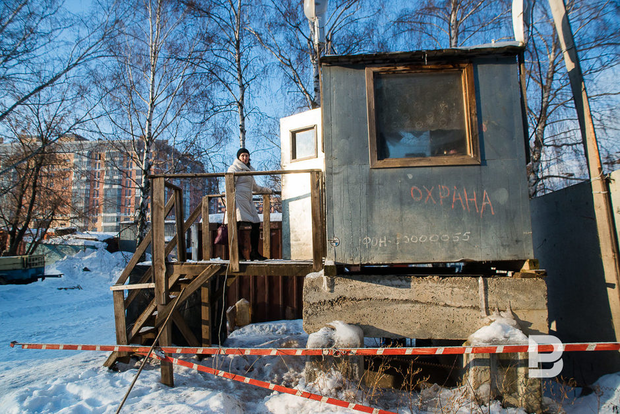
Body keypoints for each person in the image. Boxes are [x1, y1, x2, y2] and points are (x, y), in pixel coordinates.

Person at [227, 148, 272, 261]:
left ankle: (254, 253)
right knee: (236, 225)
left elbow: (255, 187)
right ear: (238, 157)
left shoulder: (249, 171)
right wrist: (230, 200)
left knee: (256, 224)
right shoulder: (234, 168)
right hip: (238, 200)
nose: (245, 158)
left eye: (246, 155)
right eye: (242, 155)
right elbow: (229, 184)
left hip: (248, 200)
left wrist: (268, 190)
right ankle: (237, 254)